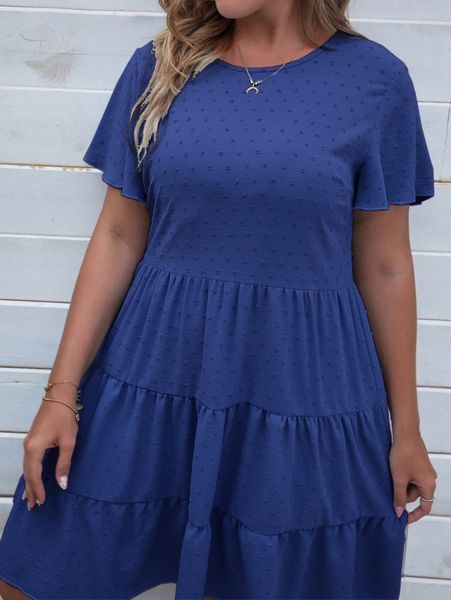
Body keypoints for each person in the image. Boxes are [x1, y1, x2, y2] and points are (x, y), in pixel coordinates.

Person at [0, 1, 438, 599]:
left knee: (250, 574)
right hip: (154, 368)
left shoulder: (375, 80)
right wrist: (61, 393)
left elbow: (385, 267)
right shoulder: (161, 66)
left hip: (298, 383)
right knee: (39, 569)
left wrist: (407, 430)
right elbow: (119, 235)